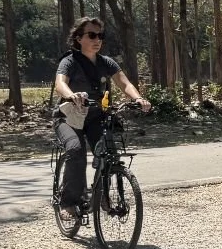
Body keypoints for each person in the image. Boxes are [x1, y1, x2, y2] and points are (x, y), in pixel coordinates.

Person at [53, 16, 151, 210]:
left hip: (97, 117)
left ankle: (102, 196)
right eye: (92, 35)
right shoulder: (69, 61)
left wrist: (138, 98)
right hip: (69, 118)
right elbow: (60, 84)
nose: (97, 40)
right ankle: (69, 202)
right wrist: (71, 95)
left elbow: (124, 83)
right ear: (79, 38)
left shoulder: (107, 62)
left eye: (100, 35)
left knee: (109, 151)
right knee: (75, 149)